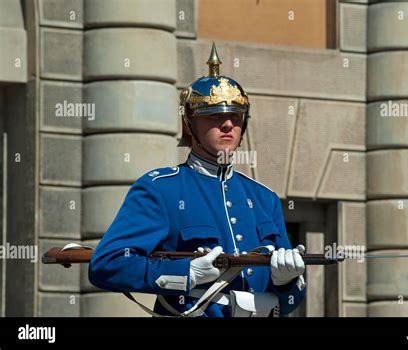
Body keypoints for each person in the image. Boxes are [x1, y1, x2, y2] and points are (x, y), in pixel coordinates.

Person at [89, 43, 307, 317]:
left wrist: (286, 282)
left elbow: (290, 302)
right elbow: (107, 264)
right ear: (189, 124)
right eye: (214, 116)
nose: (228, 125)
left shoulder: (264, 199)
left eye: (235, 117)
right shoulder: (160, 189)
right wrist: (186, 274)